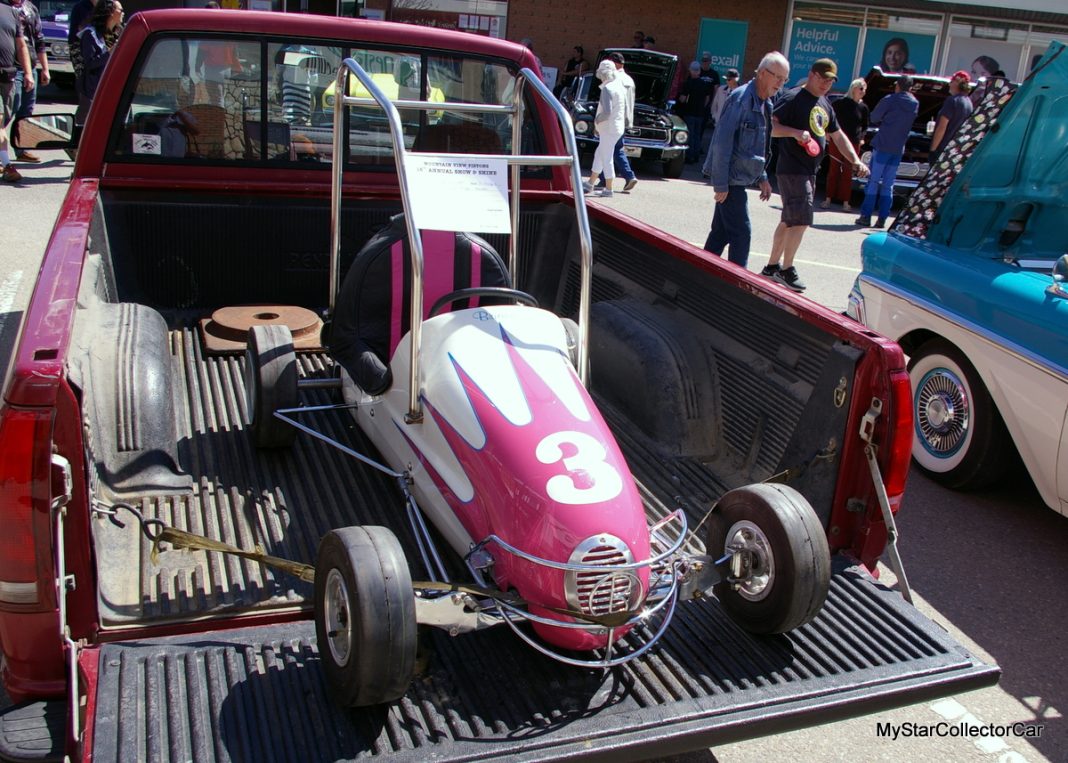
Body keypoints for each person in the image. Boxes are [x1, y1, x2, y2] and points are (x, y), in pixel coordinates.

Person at [763, 58, 870, 292]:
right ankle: (786, 269)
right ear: (812, 74)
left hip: (809, 169)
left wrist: (855, 160)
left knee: (790, 219)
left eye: (830, 81)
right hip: (793, 169)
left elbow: (838, 136)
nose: (826, 84)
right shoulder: (792, 98)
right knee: (801, 220)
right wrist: (795, 133)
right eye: (823, 78)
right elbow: (771, 127)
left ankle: (772, 267)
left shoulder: (824, 103)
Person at [703, 52, 789, 268]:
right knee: (742, 233)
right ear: (761, 73)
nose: (780, 83)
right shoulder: (740, 99)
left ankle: (697, 275)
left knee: (720, 234)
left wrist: (762, 177)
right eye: (777, 76)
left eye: (784, 78)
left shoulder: (765, 103)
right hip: (731, 180)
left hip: (740, 177)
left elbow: (756, 145)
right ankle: (737, 287)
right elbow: (722, 143)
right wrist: (721, 183)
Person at [855, 74, 917, 228]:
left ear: (897, 85)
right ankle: (882, 218)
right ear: (910, 88)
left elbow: (875, 117)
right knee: (889, 184)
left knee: (873, 181)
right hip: (898, 148)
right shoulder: (915, 103)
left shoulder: (890, 99)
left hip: (883, 145)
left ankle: (866, 216)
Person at [6, 0, 49, 164]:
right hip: (11, 66)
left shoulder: (30, 8)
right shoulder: (4, 7)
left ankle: (22, 149)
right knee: (11, 108)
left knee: (26, 110)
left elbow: (39, 39)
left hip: (30, 66)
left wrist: (45, 68)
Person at [821, 77, 869, 211]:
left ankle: (846, 202)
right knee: (834, 169)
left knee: (848, 172)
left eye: (865, 89)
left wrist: (862, 137)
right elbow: (830, 118)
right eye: (861, 88)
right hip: (837, 141)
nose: (863, 91)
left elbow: (865, 125)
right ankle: (828, 198)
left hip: (853, 143)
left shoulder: (863, 107)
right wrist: (828, 133)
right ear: (854, 88)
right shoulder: (840, 103)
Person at [596, 51, 637, 193]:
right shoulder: (629, 79)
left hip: (612, 120)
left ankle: (608, 181)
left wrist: (598, 120)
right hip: (623, 119)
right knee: (612, 149)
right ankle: (620, 177)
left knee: (608, 150)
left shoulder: (614, 78)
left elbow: (611, 103)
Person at [1, 0, 33, 182]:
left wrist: (28, 72)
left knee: (3, 121)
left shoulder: (12, 13)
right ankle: (7, 165)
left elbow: (21, 46)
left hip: (7, 77)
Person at [583, 59, 625, 197]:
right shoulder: (618, 86)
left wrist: (596, 121)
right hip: (615, 127)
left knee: (606, 157)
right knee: (600, 153)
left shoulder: (607, 89)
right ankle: (590, 182)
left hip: (608, 128)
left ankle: (608, 188)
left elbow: (606, 112)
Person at [77, 0, 122, 107]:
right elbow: (89, 64)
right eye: (120, 10)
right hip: (94, 91)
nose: (123, 13)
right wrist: (109, 53)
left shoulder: (118, 33)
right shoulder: (90, 34)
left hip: (112, 89)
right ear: (111, 12)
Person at [702, 67, 739, 178]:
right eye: (726, 79)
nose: (727, 81)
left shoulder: (741, 92)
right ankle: (708, 170)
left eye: (729, 79)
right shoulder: (721, 89)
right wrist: (714, 116)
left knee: (729, 150)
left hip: (733, 126)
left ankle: (725, 172)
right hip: (719, 124)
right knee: (714, 147)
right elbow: (715, 105)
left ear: (736, 79)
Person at [929, 69, 972, 162]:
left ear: (957, 83)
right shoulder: (969, 103)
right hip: (956, 150)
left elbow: (942, 127)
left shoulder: (952, 100)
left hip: (942, 149)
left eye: (951, 81)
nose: (949, 84)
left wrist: (933, 149)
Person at [676, 60, 711, 163]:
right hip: (700, 113)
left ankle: (689, 156)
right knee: (697, 134)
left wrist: (679, 99)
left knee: (690, 134)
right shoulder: (704, 84)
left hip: (689, 112)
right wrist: (702, 107)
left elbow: (683, 98)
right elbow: (707, 98)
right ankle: (696, 155)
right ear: (699, 71)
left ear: (691, 71)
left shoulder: (688, 83)